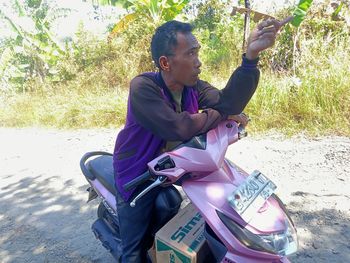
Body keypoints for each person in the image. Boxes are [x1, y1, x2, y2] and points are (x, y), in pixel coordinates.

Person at [113, 19, 282, 262]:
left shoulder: (193, 87)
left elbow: (228, 102)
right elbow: (177, 127)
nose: (198, 61)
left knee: (198, 203)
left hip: (171, 165)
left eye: (197, 52)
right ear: (165, 63)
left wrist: (251, 56)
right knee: (132, 252)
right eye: (191, 53)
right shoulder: (143, 86)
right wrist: (221, 113)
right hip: (136, 173)